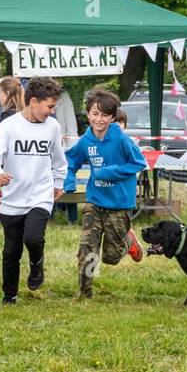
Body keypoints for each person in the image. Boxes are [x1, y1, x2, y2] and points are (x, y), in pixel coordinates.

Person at [0, 76, 67, 304]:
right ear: (33, 101)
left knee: (32, 237)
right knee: (11, 251)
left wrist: (58, 183)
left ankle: (37, 263)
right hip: (12, 199)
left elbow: (59, 160)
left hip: (41, 195)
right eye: (49, 106)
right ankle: (9, 295)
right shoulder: (9, 126)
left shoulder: (53, 127)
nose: (51, 112)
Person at [64, 88, 148, 299]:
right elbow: (71, 160)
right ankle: (85, 292)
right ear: (88, 113)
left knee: (111, 257)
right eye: (94, 114)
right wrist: (69, 178)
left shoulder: (120, 139)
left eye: (104, 115)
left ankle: (128, 242)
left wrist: (108, 172)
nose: (98, 119)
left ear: (112, 117)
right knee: (88, 249)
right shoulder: (86, 140)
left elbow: (139, 162)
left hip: (119, 205)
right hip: (94, 201)